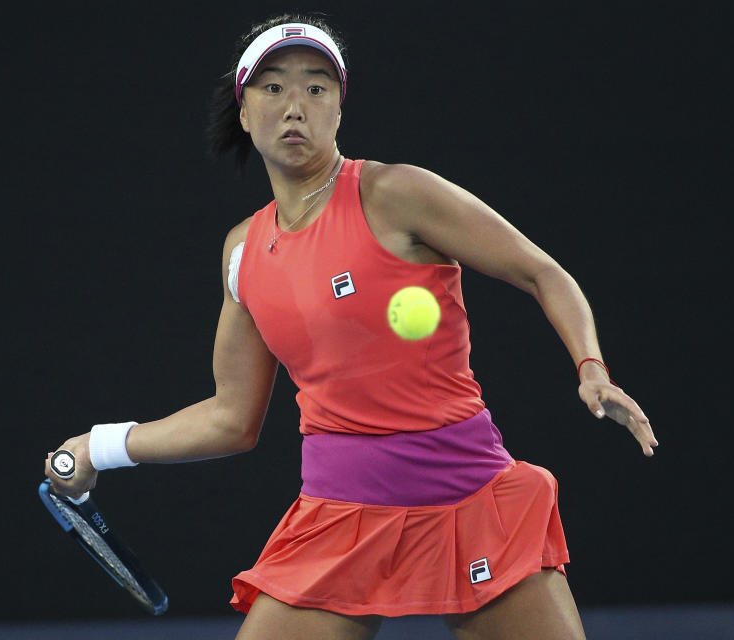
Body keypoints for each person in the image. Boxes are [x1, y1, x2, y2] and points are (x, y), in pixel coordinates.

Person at [45, 13, 658, 640]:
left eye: (316, 88)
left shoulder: (397, 194)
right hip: (339, 519)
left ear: (340, 107)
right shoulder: (242, 253)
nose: (295, 107)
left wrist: (592, 368)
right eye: (273, 88)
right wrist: (100, 446)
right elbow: (232, 418)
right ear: (244, 109)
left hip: (469, 500)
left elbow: (542, 272)